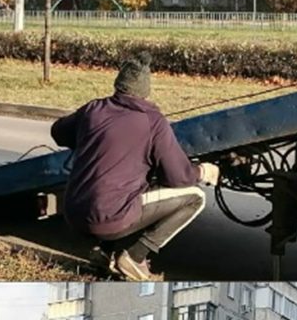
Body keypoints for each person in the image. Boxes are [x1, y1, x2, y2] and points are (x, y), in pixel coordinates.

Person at [50, 52, 220, 281]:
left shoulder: (93, 109)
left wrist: (88, 137)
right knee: (196, 197)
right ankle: (135, 258)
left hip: (73, 215)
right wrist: (204, 171)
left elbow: (58, 132)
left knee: (124, 191)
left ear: (118, 84)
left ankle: (105, 253)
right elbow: (178, 177)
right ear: (145, 90)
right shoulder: (152, 121)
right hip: (107, 219)